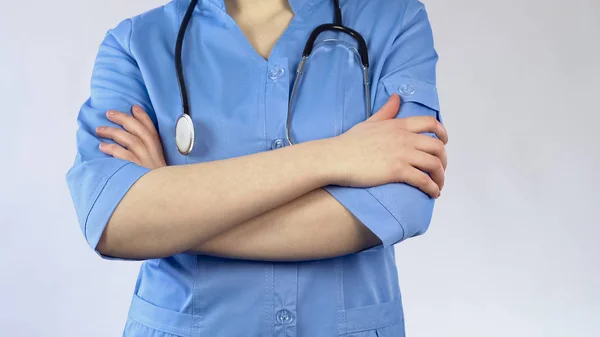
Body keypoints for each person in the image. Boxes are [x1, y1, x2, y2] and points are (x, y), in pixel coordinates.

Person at [65, 0, 447, 336]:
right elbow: (114, 222)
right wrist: (337, 155)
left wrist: (168, 214)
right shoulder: (136, 44)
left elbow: (402, 203)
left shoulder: (395, 20)